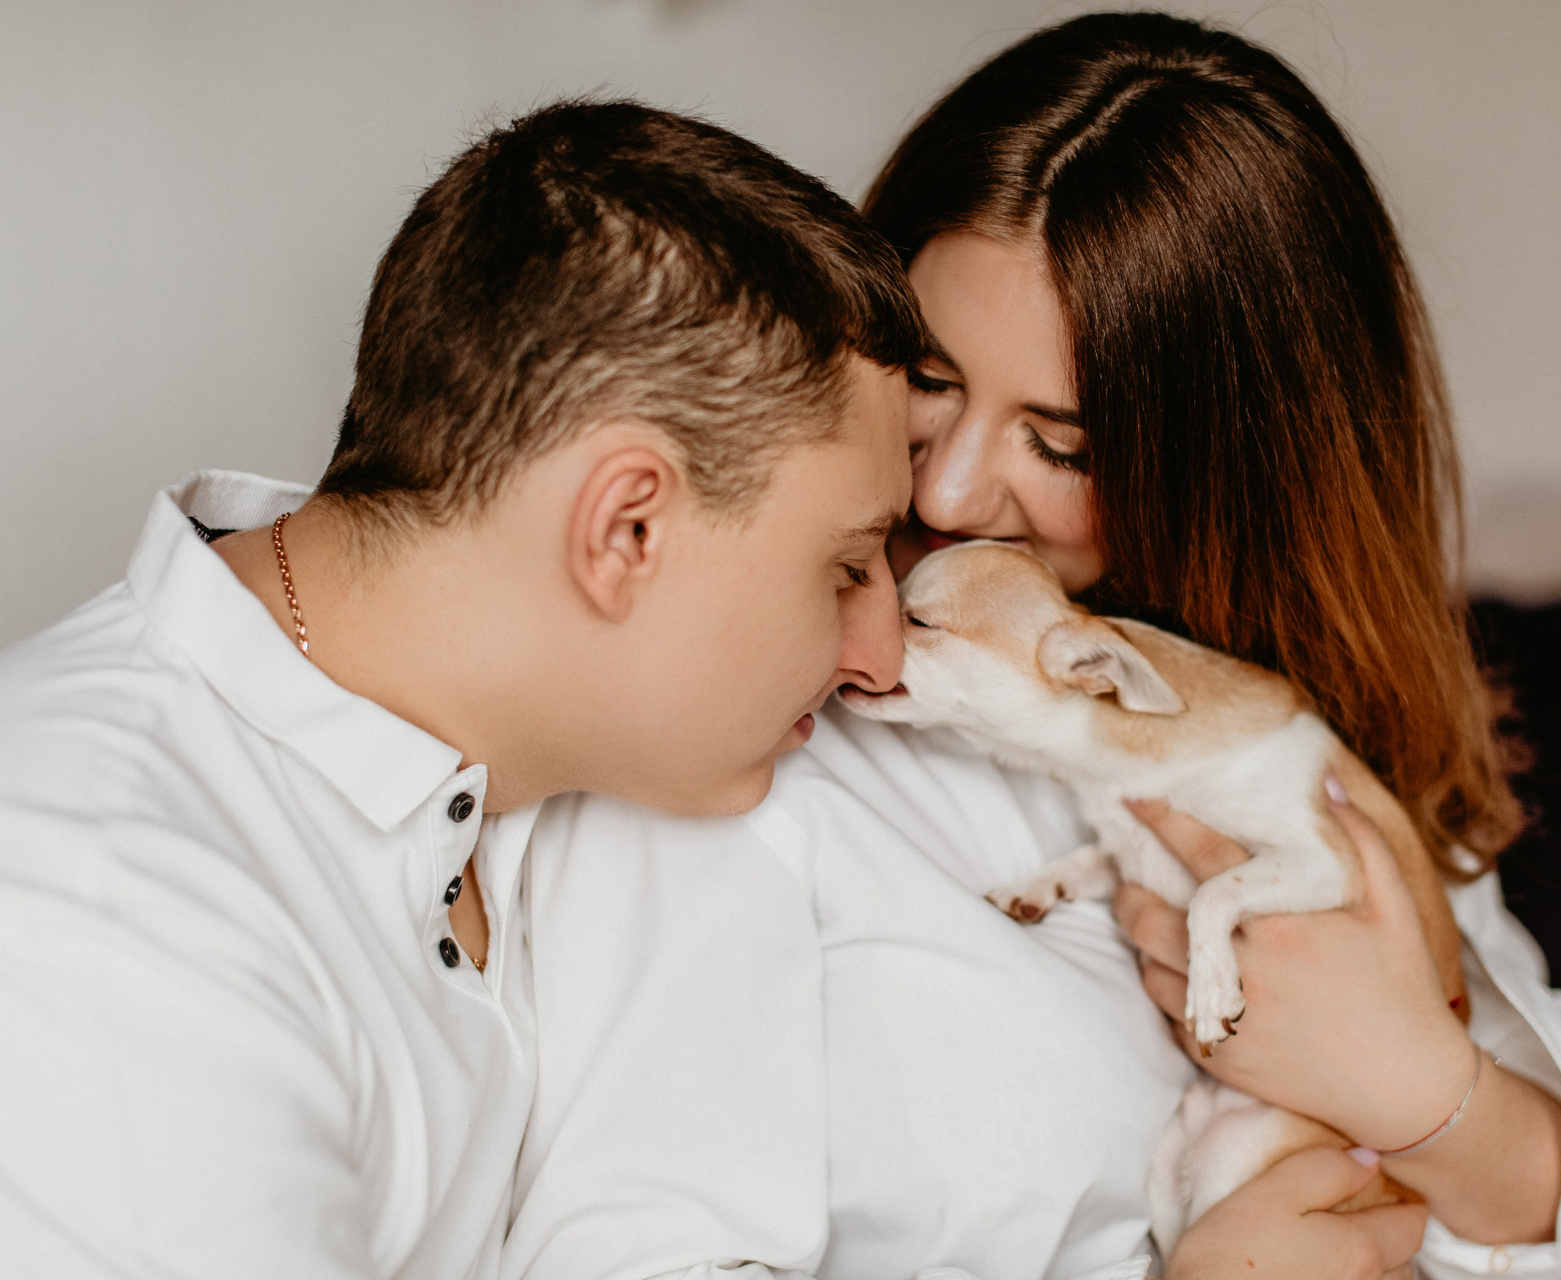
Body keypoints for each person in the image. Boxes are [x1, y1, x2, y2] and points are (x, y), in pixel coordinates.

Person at [508, 13, 1561, 1280]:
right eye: (928, 380)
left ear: (1234, 477)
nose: (945, 493)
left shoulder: (1274, 727)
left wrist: (1412, 1077)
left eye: (1062, 444)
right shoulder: (716, 742)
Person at [0, 99, 928, 1277]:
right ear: (626, 528)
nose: (882, 656)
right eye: (847, 566)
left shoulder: (578, 758)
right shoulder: (100, 921)